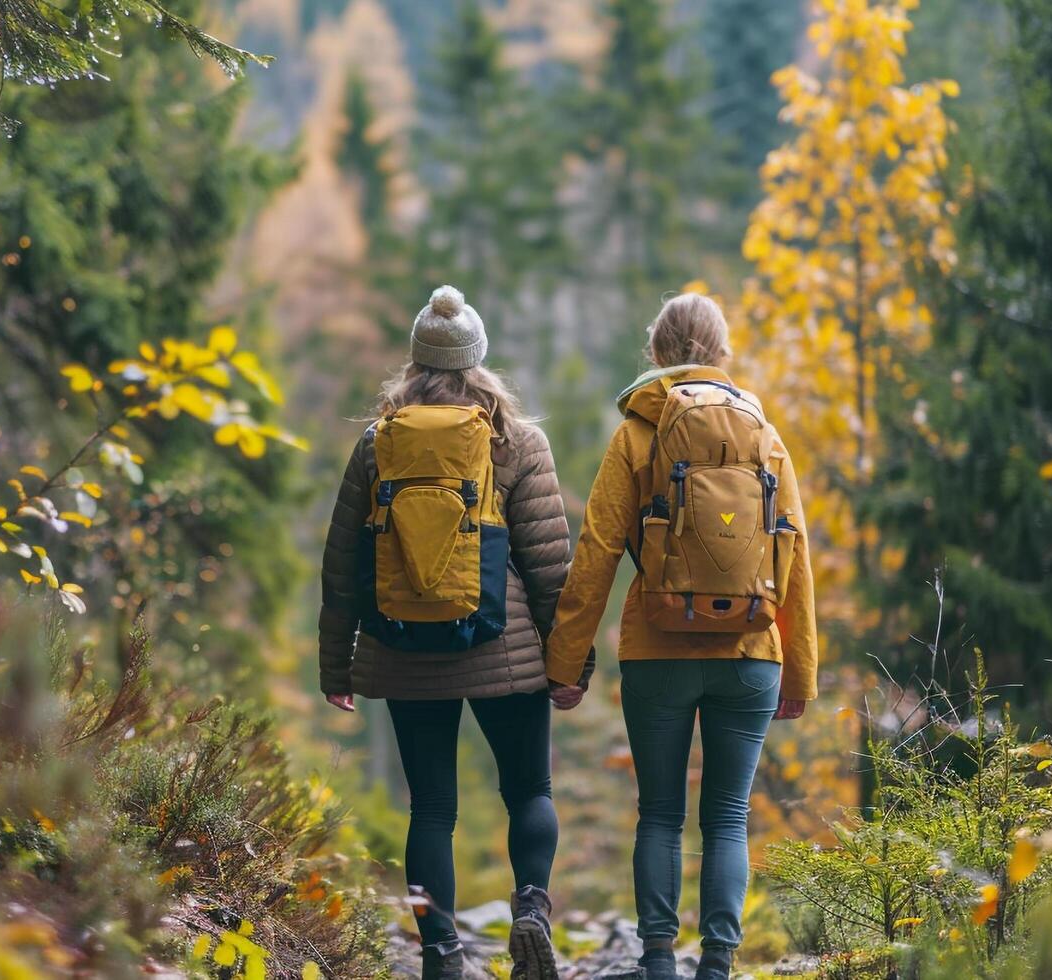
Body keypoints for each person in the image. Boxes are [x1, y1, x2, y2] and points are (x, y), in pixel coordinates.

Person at [545, 293, 818, 980]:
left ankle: (660, 963)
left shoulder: (640, 430)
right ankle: (718, 964)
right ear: (721, 352)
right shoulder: (764, 434)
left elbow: (598, 549)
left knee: (659, 816)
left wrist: (566, 661)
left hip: (657, 646)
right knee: (726, 816)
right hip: (750, 653)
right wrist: (799, 674)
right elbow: (796, 555)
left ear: (656, 353)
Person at [320, 286, 582, 980]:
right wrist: (567, 665)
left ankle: (440, 953)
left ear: (415, 361)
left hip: (404, 648)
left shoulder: (378, 444)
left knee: (431, 809)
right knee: (529, 791)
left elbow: (342, 565)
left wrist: (334, 666)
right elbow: (549, 565)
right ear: (478, 361)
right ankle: (530, 908)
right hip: (507, 647)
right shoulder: (517, 441)